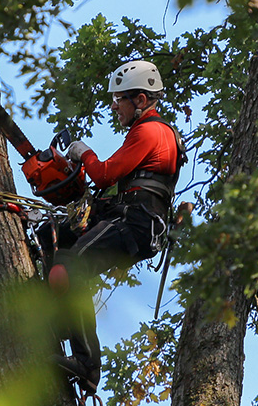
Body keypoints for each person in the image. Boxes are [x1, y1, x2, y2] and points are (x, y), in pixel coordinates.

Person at [47, 60, 185, 394]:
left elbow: (106, 174)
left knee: (70, 265)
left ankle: (87, 364)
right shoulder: (148, 132)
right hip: (128, 216)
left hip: (137, 221)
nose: (114, 106)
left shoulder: (151, 131)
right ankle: (55, 323)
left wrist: (84, 152)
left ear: (139, 100)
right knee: (56, 239)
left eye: (119, 99)